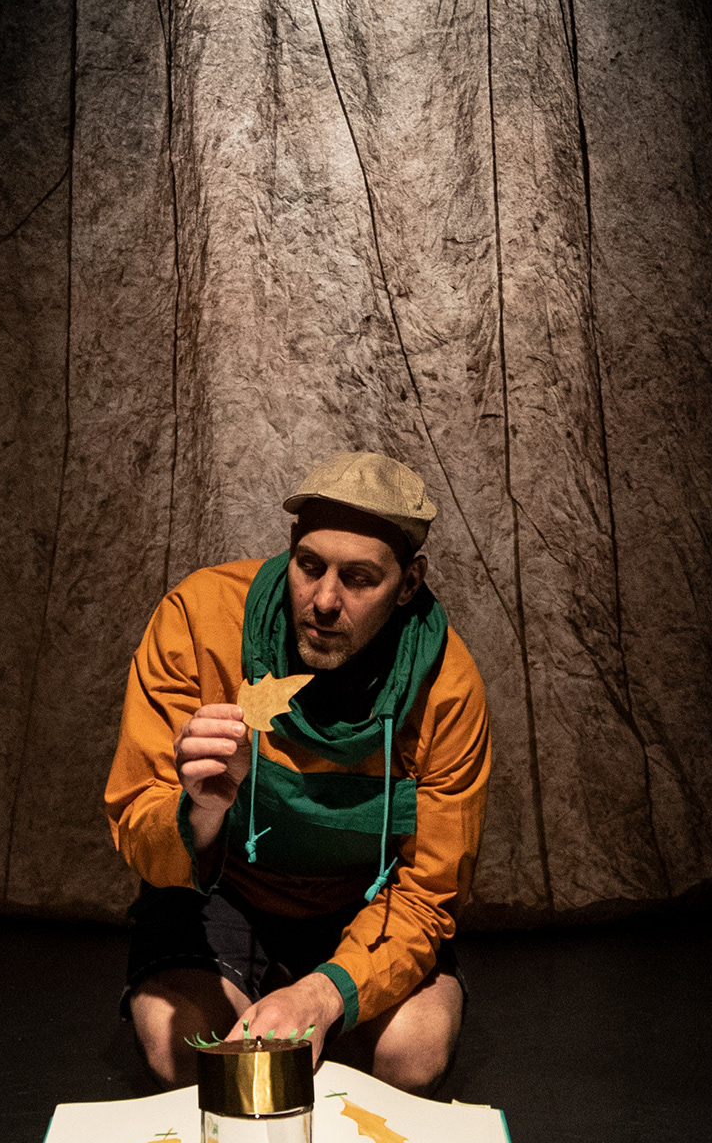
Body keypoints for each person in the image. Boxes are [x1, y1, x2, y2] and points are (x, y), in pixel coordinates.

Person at [105, 452, 492, 1091]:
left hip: (364, 903)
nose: (325, 601)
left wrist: (324, 993)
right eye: (309, 567)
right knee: (185, 1053)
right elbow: (138, 823)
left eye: (360, 578)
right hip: (224, 894)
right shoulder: (199, 620)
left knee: (413, 1055)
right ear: (290, 551)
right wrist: (201, 810)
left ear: (409, 583)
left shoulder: (447, 687)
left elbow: (431, 889)